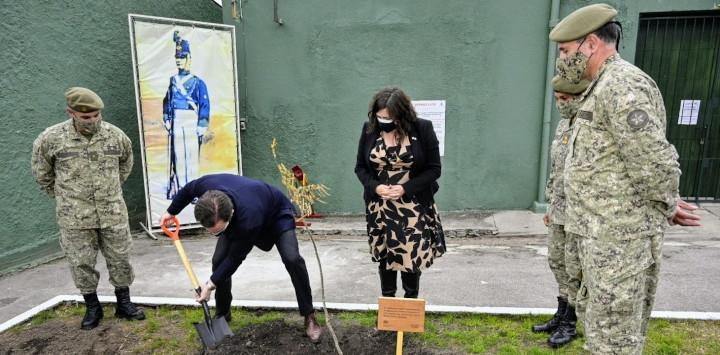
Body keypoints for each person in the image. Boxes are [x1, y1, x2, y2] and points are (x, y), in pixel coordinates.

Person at [550, 4, 701, 353]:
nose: (562, 60)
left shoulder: (623, 85)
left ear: (590, 43)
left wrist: (666, 202)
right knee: (601, 331)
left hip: (620, 240)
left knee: (616, 337)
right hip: (597, 236)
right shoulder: (598, 86)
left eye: (565, 51)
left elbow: (653, 159)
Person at [158, 173, 323, 343]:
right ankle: (223, 313)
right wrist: (171, 212)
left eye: (220, 231)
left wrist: (209, 285)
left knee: (292, 259)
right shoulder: (206, 187)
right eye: (213, 232)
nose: (217, 235)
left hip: (276, 214)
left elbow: (235, 258)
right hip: (245, 212)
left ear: (230, 213)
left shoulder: (247, 220)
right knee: (218, 261)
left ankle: (309, 316)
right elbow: (188, 190)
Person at [31, 87, 145, 330]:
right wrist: (66, 198)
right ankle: (93, 307)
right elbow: (42, 175)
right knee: (81, 262)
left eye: (96, 115)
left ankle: (124, 303)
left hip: (112, 212)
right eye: (86, 117)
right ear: (71, 112)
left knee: (120, 258)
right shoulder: (51, 139)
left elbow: (125, 165)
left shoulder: (116, 136)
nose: (92, 121)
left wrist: (109, 191)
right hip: (74, 218)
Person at [354, 87, 446, 300]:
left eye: (389, 117)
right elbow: (360, 167)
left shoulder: (422, 128)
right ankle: (388, 306)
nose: (383, 120)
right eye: (380, 116)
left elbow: (434, 169)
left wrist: (406, 188)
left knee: (410, 257)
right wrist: (375, 187)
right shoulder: (369, 129)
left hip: (412, 206)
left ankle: (409, 307)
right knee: (385, 256)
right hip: (380, 207)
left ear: (402, 114)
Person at [532, 76, 589, 348]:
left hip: (580, 213)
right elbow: (556, 171)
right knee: (557, 262)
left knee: (574, 268)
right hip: (559, 210)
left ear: (578, 96)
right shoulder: (563, 125)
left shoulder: (588, 124)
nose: (560, 104)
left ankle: (570, 322)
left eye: (564, 99)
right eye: (556, 99)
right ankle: (561, 313)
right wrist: (550, 204)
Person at [162, 30, 210, 200]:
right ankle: (182, 190)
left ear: (188, 57)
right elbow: (167, 100)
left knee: (191, 157)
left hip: (191, 120)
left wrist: (202, 124)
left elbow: (204, 104)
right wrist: (167, 118)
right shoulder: (172, 81)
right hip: (177, 119)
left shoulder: (197, 82)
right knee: (179, 157)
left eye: (182, 57)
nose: (178, 60)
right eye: (177, 57)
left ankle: (195, 191)